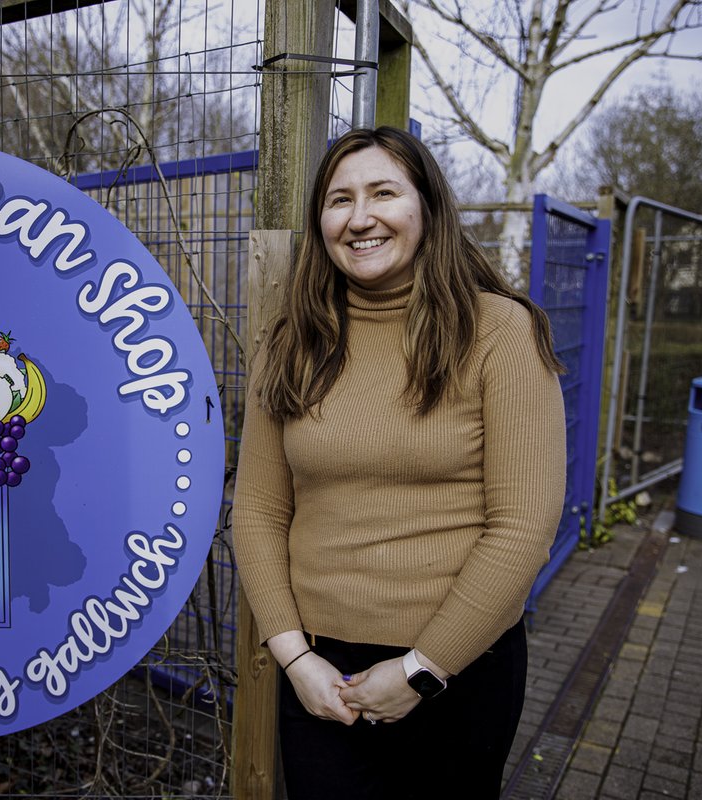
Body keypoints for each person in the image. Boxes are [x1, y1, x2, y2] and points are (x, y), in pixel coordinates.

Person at [232, 126, 566, 799]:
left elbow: (523, 526)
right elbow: (259, 509)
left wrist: (422, 668)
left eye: (383, 192)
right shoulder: (292, 343)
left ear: (427, 209)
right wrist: (295, 659)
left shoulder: (500, 333)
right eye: (339, 200)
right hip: (321, 672)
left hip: (460, 664)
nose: (360, 218)